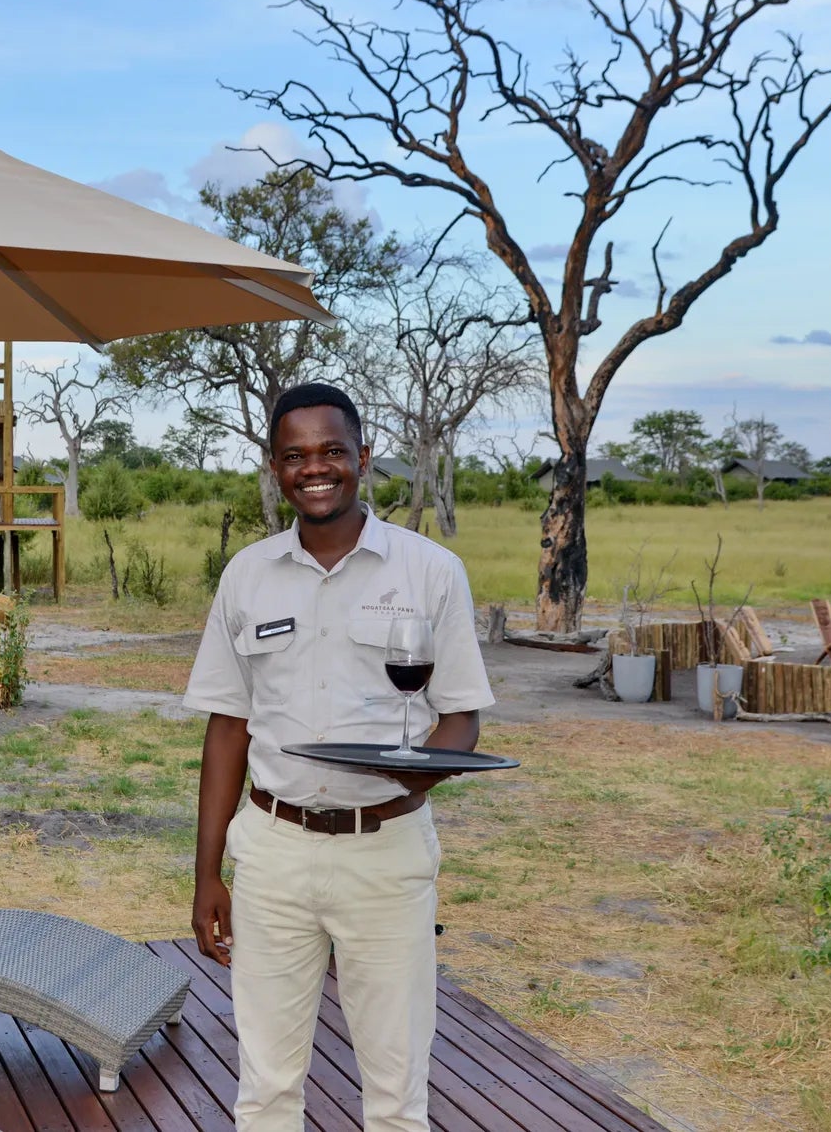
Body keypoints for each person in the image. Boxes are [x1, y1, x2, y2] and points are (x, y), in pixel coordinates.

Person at [183, 382, 494, 1132]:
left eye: (332, 452)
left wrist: (423, 775)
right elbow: (227, 730)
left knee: (395, 1092)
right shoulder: (247, 576)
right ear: (274, 466)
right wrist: (206, 874)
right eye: (295, 456)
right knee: (264, 1087)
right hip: (273, 853)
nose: (314, 469)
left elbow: (460, 719)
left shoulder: (429, 571)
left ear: (364, 457)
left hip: (384, 853)